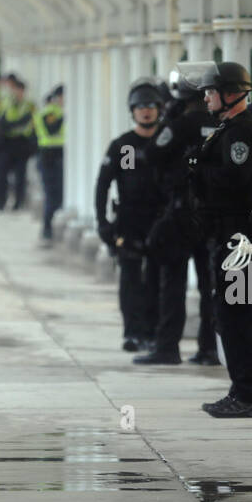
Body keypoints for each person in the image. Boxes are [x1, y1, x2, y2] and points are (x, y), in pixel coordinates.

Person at [193, 62, 252, 417]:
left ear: (230, 93)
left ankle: (249, 393)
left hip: (238, 237)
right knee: (230, 314)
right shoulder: (229, 128)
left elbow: (236, 180)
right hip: (227, 233)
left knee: (233, 315)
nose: (207, 97)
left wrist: (199, 166)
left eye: (212, 91)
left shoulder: (242, 130)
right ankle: (244, 388)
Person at [141, 68, 220, 366]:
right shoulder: (219, 123)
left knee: (172, 281)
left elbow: (152, 154)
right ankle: (209, 347)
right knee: (208, 283)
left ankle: (167, 346)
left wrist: (168, 121)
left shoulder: (181, 122)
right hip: (210, 215)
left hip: (181, 212)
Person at [96, 78, 164, 353]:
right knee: (130, 280)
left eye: (150, 105)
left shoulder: (167, 141)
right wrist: (102, 222)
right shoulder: (123, 146)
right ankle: (133, 332)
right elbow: (103, 185)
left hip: (161, 221)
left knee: (157, 280)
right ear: (132, 110)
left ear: (159, 108)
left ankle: (152, 332)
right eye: (140, 106)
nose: (146, 111)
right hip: (129, 221)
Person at [0, 74, 36, 212]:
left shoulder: (29, 105)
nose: (17, 93)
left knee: (20, 175)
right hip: (6, 142)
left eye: (20, 90)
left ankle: (18, 202)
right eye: (15, 90)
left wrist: (11, 125)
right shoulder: (5, 103)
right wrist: (12, 125)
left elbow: (28, 122)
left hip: (22, 143)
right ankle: (0, 202)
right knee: (1, 173)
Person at [35, 85, 66, 244]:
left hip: (62, 156)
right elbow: (51, 129)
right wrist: (65, 115)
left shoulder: (61, 112)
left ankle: (51, 228)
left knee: (60, 195)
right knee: (52, 195)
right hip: (49, 157)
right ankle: (47, 228)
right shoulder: (49, 112)